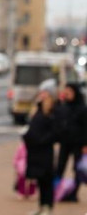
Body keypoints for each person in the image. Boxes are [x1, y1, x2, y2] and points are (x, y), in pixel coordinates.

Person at [23, 79, 58, 215]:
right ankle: (41, 206)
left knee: (46, 179)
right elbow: (33, 127)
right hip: (35, 150)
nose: (41, 94)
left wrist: (41, 140)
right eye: (41, 92)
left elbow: (55, 132)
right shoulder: (38, 107)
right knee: (39, 179)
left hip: (44, 150)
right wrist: (27, 136)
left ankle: (48, 207)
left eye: (45, 92)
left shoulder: (52, 110)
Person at [54, 81, 87, 202]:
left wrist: (85, 144)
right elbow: (57, 118)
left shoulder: (82, 108)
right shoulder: (64, 106)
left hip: (78, 143)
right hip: (65, 142)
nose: (67, 93)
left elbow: (85, 128)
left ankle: (73, 193)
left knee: (77, 169)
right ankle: (56, 190)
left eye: (70, 91)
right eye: (66, 91)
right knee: (60, 167)